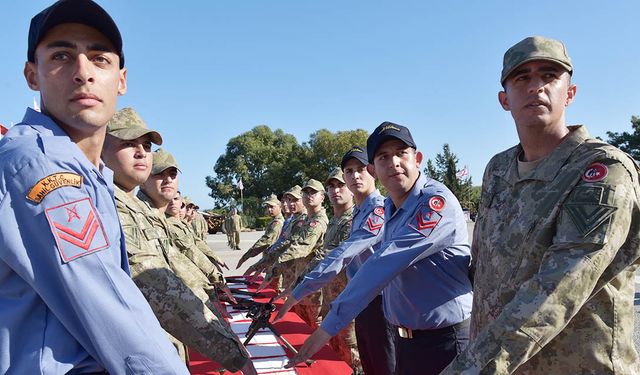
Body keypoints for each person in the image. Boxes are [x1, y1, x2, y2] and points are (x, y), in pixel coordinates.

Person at [0, 1, 188, 372]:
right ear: (32, 75)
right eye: (61, 56)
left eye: (100, 58)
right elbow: (107, 301)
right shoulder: (39, 162)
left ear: (121, 79)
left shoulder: (92, 172)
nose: (82, 73)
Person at [442, 36, 640, 374]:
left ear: (570, 93)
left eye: (549, 76)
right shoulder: (498, 169)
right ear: (505, 100)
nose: (536, 87)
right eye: (522, 78)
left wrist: (469, 368)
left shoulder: (602, 171)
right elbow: (486, 271)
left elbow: (559, 289)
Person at [286, 122, 473, 375]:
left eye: (401, 153)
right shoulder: (389, 208)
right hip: (406, 339)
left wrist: (327, 326)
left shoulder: (434, 202)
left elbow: (383, 263)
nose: (394, 162)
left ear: (417, 159)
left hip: (445, 341)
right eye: (384, 156)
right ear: (374, 169)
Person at [101, 107, 255, 374]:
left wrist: (213, 286)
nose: (141, 152)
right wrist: (233, 354)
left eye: (146, 145)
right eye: (128, 144)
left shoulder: (133, 207)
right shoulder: (109, 205)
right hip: (143, 346)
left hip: (164, 338)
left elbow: (177, 264)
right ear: (99, 148)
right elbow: (154, 282)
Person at [275, 147, 396, 374]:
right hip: (360, 301)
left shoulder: (377, 209)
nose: (354, 176)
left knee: (382, 365)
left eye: (360, 169)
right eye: (348, 171)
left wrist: (298, 292)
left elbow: (342, 254)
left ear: (372, 171)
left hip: (379, 303)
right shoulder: (361, 211)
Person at [236, 194, 285, 268]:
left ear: (280, 206)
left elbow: (265, 241)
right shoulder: (275, 221)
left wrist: (246, 256)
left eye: (272, 207)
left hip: (274, 262)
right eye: (267, 207)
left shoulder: (277, 223)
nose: (269, 210)